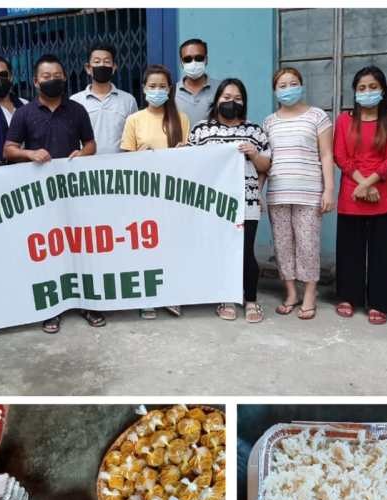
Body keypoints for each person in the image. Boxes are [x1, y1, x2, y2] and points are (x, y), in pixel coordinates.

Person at [4, 53, 100, 334]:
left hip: (75, 194)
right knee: (49, 251)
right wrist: (30, 153)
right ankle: (52, 309)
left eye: (57, 76)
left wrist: (82, 153)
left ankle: (87, 303)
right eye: (46, 77)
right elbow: (7, 150)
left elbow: (91, 144)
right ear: (35, 81)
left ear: (65, 78)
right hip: (41, 197)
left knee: (81, 246)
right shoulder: (23, 113)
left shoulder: (77, 110)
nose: (52, 80)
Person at [189, 79, 271, 322]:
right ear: (217, 100)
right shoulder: (201, 130)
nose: (231, 102)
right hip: (213, 202)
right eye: (226, 97)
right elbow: (191, 163)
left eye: (237, 98)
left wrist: (254, 154)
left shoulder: (254, 131)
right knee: (221, 251)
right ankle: (226, 296)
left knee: (246, 252)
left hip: (246, 201)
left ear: (244, 103)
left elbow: (266, 165)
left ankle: (251, 300)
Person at [263, 67, 335, 321]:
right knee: (283, 246)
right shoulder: (270, 121)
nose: (288, 89)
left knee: (307, 245)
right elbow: (266, 160)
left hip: (309, 192)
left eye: (293, 83)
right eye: (282, 85)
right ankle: (291, 293)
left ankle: (310, 295)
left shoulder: (317, 117)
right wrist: (259, 193)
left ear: (302, 86)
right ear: (275, 91)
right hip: (279, 193)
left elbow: (327, 155)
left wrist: (329, 190)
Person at [333, 66, 387, 325]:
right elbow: (341, 157)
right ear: (355, 92)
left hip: (382, 197)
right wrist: (363, 185)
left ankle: (379, 301)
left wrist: (371, 183)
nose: (367, 92)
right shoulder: (343, 121)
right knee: (350, 250)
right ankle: (348, 297)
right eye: (361, 88)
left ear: (383, 91)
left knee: (382, 252)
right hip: (352, 194)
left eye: (373, 87)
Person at [121, 64, 190, 319]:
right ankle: (147, 297)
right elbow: (125, 159)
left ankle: (172, 295)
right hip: (143, 194)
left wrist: (185, 152)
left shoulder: (180, 119)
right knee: (146, 246)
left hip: (172, 193)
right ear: (144, 89)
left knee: (172, 244)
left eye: (162, 86)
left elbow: (189, 157)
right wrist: (138, 157)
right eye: (152, 86)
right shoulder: (134, 120)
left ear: (170, 89)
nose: (157, 90)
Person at [70, 41, 138, 154]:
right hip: (86, 167)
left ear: (114, 67)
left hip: (121, 167)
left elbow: (134, 136)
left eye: (107, 61)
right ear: (88, 68)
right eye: (97, 61)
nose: (102, 65)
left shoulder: (128, 100)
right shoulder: (75, 101)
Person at [174, 39, 220, 130]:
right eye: (187, 59)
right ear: (181, 63)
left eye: (199, 58)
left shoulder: (221, 89)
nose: (193, 62)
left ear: (206, 60)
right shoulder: (172, 92)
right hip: (182, 144)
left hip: (213, 144)